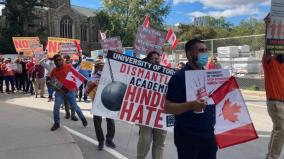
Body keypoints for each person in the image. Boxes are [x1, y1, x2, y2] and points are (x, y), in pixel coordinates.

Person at [165, 39, 217, 159]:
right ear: (189, 54)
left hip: (208, 135)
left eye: (206, 50)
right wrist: (191, 105)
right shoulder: (179, 77)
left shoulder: (209, 75)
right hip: (187, 137)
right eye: (201, 50)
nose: (205, 54)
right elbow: (167, 107)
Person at [137, 51, 167, 159]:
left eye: (158, 58)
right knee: (145, 140)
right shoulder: (142, 72)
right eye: (153, 59)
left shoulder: (166, 73)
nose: (156, 61)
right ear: (148, 60)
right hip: (146, 110)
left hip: (162, 111)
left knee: (160, 143)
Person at [47, 54, 88, 131]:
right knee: (56, 107)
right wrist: (50, 82)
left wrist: (76, 88)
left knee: (75, 107)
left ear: (62, 60)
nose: (58, 61)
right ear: (54, 62)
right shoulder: (53, 71)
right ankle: (56, 123)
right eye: (56, 60)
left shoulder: (69, 67)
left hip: (71, 91)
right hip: (59, 92)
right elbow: (50, 79)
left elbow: (76, 77)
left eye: (59, 60)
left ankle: (82, 118)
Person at [263, 13, 284, 159]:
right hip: (275, 101)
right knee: (281, 130)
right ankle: (272, 157)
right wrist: (268, 27)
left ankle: (270, 155)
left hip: (281, 101)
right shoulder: (269, 62)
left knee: (277, 129)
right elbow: (269, 45)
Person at [85, 61, 116, 150]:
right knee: (97, 123)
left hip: (108, 102)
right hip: (97, 103)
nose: (101, 68)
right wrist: (92, 84)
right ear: (96, 68)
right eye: (99, 66)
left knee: (111, 121)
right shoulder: (92, 78)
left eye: (103, 66)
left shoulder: (110, 77)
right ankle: (101, 141)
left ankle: (109, 139)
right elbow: (86, 92)